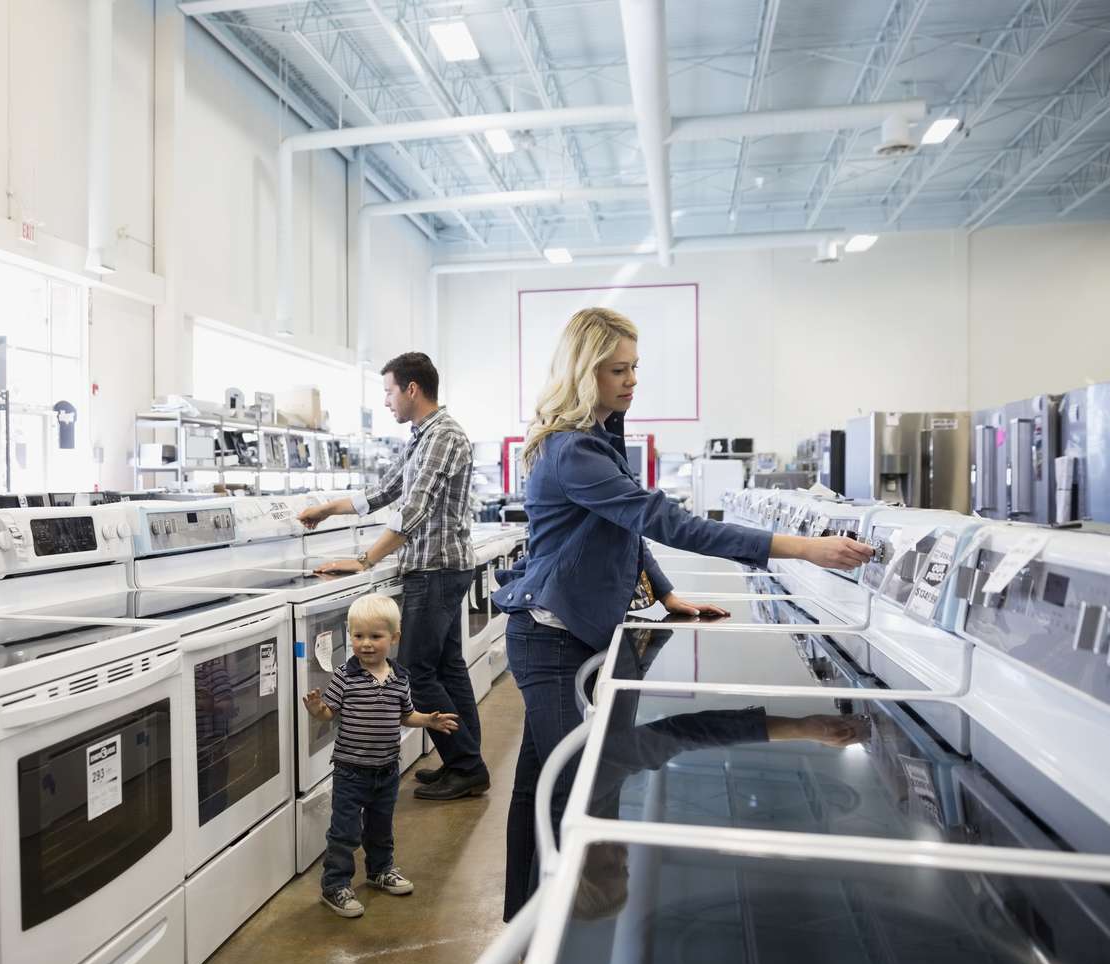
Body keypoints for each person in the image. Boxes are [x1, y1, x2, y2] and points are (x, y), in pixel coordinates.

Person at [493, 307, 874, 921]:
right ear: (584, 372)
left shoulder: (601, 439)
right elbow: (668, 522)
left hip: (576, 631)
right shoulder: (573, 451)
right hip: (550, 637)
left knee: (546, 785)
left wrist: (666, 593)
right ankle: (549, 928)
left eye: (634, 367)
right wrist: (804, 548)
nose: (631, 380)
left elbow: (626, 531)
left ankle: (524, 919)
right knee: (580, 786)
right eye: (617, 369)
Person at [298, 352, 490, 801]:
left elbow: (414, 509)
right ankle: (463, 762)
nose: (385, 401)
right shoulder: (421, 437)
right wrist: (326, 510)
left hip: (437, 568)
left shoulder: (442, 435)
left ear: (411, 389)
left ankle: (468, 766)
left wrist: (365, 560)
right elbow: (384, 492)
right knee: (447, 669)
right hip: (436, 566)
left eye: (388, 391)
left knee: (417, 673)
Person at [301, 593, 462, 918]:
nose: (366, 644)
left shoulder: (400, 677)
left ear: (394, 638)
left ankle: (379, 871)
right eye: (358, 636)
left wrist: (427, 720)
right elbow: (329, 713)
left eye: (375, 636)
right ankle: (335, 886)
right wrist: (317, 709)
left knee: (381, 827)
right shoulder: (345, 677)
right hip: (350, 770)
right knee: (344, 831)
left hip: (387, 769)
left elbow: (405, 715)